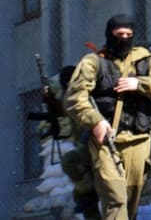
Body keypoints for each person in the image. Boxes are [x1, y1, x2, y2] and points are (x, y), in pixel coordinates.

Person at [66, 14, 151, 220]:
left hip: (140, 139)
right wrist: (96, 121)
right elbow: (75, 98)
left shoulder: (144, 60)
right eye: (119, 34)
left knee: (130, 201)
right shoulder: (93, 62)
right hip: (106, 141)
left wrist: (140, 84)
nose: (124, 38)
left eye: (129, 34)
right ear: (109, 34)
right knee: (115, 198)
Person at [26, 64, 101, 219]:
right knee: (82, 197)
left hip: (95, 144)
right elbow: (61, 110)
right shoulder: (70, 96)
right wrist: (49, 101)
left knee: (71, 164)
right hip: (85, 146)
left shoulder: (86, 95)